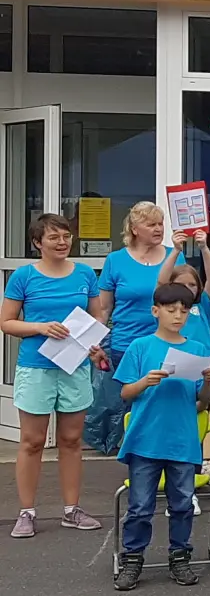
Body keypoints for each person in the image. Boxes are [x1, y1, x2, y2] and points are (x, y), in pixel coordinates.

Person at [2, 214, 106, 538]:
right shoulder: (23, 276)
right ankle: (26, 512)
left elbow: (97, 316)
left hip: (75, 366)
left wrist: (94, 345)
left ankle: (71, 509)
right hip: (36, 366)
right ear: (37, 243)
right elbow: (6, 322)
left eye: (66, 236)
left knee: (72, 440)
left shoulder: (86, 274)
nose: (62, 243)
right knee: (32, 441)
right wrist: (39, 327)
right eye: (53, 238)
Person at [111, 283, 210, 590]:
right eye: (171, 310)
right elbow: (125, 393)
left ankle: (180, 556)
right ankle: (132, 559)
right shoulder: (141, 347)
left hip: (182, 438)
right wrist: (145, 381)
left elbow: (203, 402)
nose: (178, 316)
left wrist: (208, 381)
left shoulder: (197, 350)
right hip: (146, 438)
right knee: (140, 505)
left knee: (182, 502)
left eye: (184, 310)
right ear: (156, 311)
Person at [88, 201, 186, 454]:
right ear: (134, 228)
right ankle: (135, 458)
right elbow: (104, 309)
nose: (158, 229)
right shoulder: (116, 260)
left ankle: (160, 455)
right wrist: (95, 340)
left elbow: (185, 297)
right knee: (131, 402)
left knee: (162, 401)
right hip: (125, 344)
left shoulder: (174, 255)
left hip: (165, 342)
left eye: (161, 223)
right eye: (151, 224)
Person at [157, 231, 210, 353]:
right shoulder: (164, 305)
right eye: (180, 284)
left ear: (199, 287)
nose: (186, 288)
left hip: (202, 360)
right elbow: (161, 282)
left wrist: (204, 248)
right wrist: (176, 251)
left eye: (192, 284)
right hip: (171, 358)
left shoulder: (204, 305)